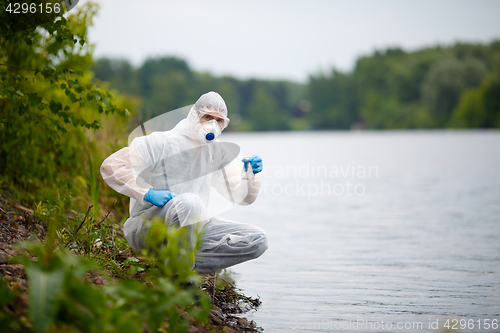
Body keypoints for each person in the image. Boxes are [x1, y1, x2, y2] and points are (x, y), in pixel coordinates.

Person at [100, 91, 268, 274]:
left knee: (257, 240)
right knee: (190, 203)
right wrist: (146, 192)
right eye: (207, 117)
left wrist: (249, 174)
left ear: (224, 124)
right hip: (149, 226)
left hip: (193, 225)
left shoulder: (216, 154)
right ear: (194, 116)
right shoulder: (160, 142)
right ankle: (180, 276)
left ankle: (179, 264)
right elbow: (111, 166)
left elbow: (243, 198)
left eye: (219, 120)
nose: (212, 124)